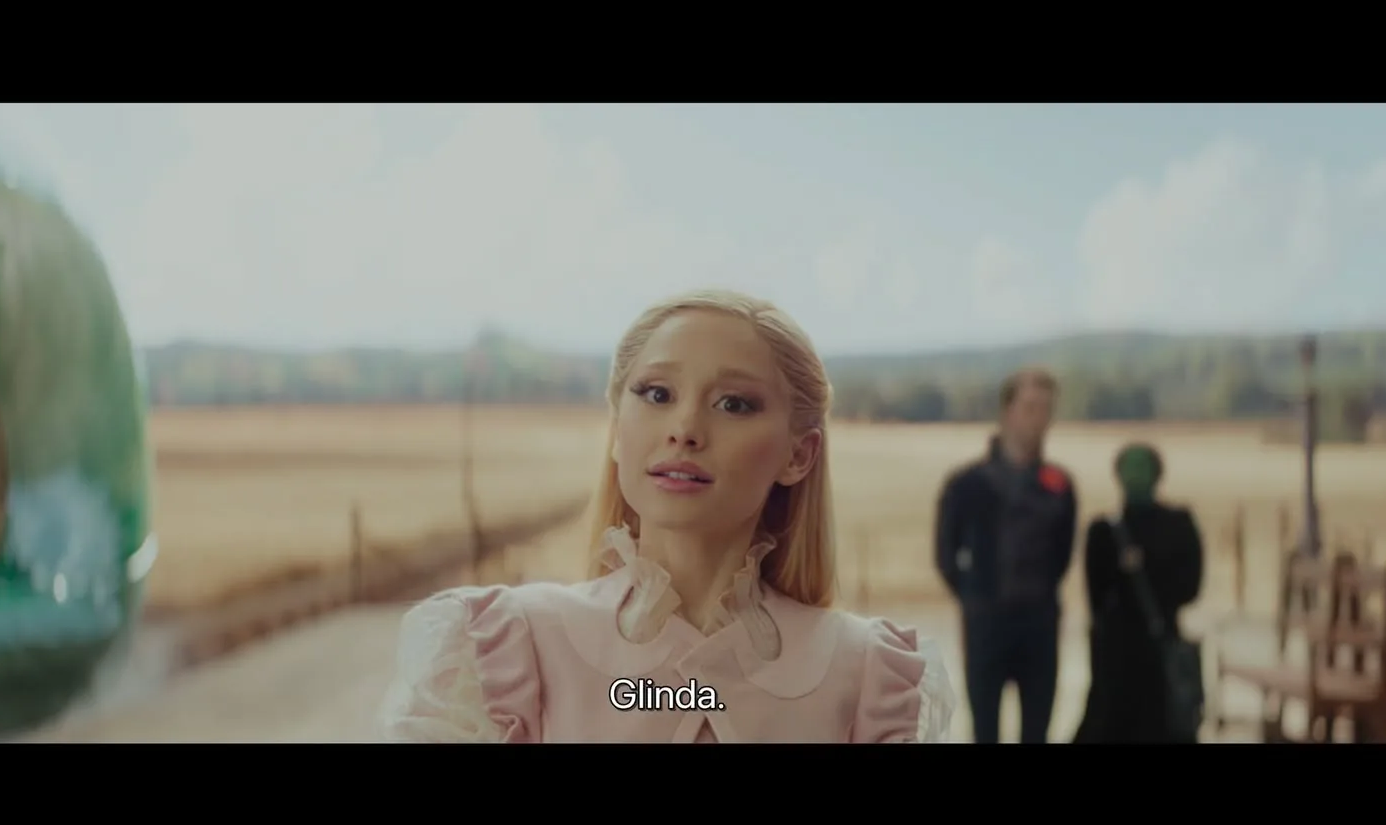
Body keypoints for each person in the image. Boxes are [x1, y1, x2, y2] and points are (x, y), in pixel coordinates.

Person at [379, 289, 956, 743]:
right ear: (616, 429)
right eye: (656, 393)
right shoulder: (503, 652)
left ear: (798, 455)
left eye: (734, 403)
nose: (684, 428)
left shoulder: (870, 678)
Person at [934, 367, 1076, 744]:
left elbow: (1062, 557)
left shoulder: (1059, 487)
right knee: (984, 732)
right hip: (986, 625)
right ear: (1007, 412)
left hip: (1039, 627)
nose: (1039, 418)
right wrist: (975, 598)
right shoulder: (967, 486)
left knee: (1037, 732)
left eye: (1046, 409)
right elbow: (945, 555)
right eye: (1030, 407)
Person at [1073, 443, 1204, 744]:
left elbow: (1095, 600)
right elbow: (1190, 588)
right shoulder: (1179, 525)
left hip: (1116, 660)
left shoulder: (1104, 531)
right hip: (1159, 646)